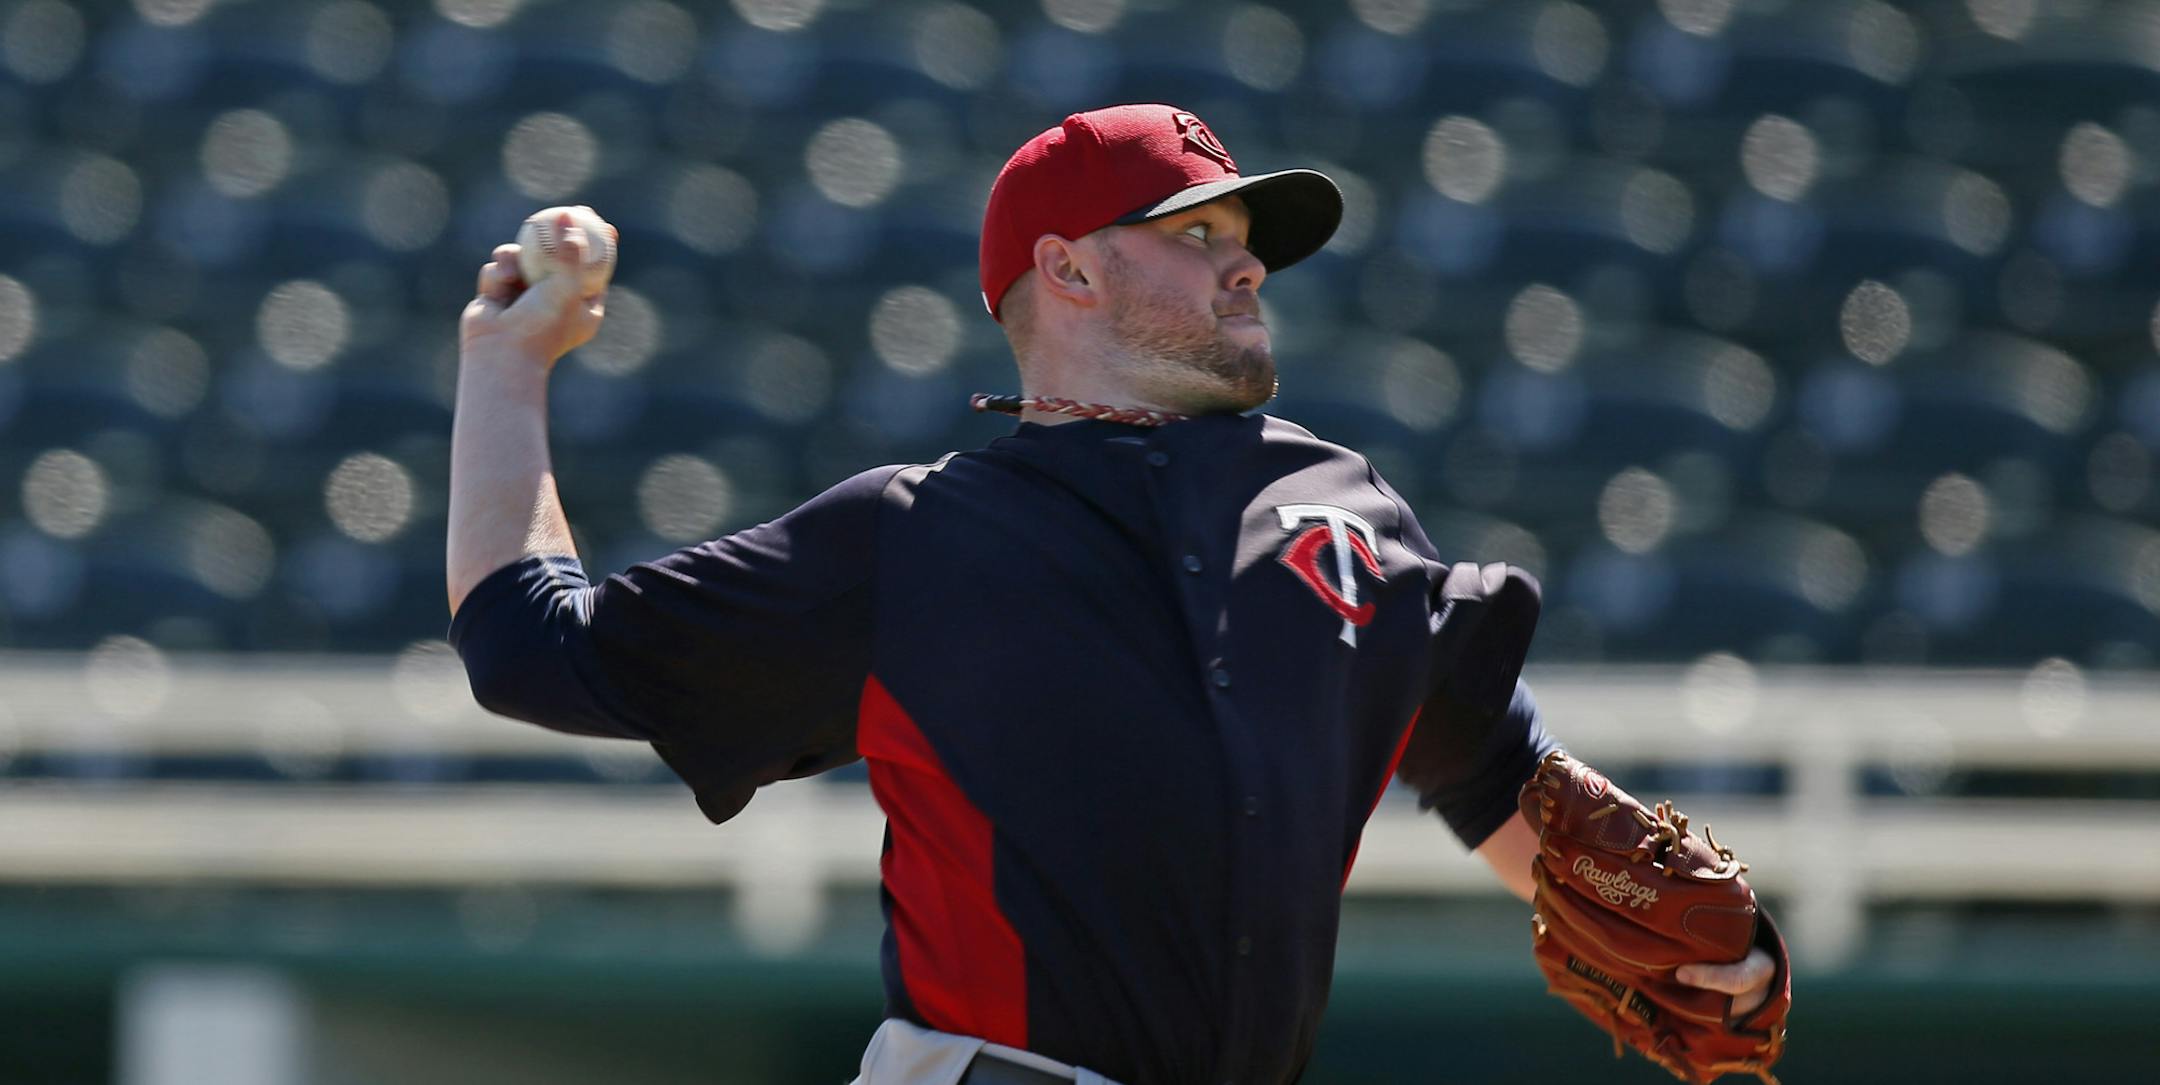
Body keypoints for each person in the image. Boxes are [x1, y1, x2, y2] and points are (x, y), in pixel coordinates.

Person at [446, 103, 1773, 1085]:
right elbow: (528, 644)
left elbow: (1491, 764)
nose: (1246, 263)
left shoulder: (1347, 516)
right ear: (1067, 270)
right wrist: (508, 370)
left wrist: (1706, 950)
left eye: (1248, 238)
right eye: (1197, 234)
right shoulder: (917, 542)